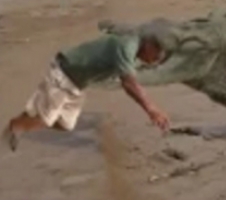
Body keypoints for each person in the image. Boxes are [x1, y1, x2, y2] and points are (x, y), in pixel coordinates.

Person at [2, 26, 172, 151]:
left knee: (65, 125)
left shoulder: (133, 51)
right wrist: (152, 109)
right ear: (150, 45)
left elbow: (128, 79)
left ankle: (29, 116)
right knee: (45, 119)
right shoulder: (126, 46)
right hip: (64, 72)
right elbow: (129, 84)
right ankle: (15, 126)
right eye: (155, 56)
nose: (154, 61)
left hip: (77, 84)